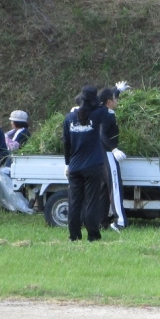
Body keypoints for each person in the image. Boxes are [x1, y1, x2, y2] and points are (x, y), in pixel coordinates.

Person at [63, 86, 108, 242]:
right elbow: (105, 103)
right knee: (91, 202)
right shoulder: (97, 115)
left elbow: (66, 143)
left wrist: (67, 164)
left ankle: (74, 235)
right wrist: (117, 90)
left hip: (74, 166)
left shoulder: (69, 118)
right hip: (93, 165)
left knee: (74, 203)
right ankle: (93, 235)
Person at [98, 86, 128, 232]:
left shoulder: (102, 110)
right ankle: (119, 222)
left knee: (104, 190)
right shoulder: (107, 115)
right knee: (115, 187)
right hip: (108, 154)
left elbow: (106, 96)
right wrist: (113, 149)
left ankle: (101, 221)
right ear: (109, 102)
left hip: (100, 155)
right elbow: (102, 134)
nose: (117, 100)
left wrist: (117, 90)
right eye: (115, 99)